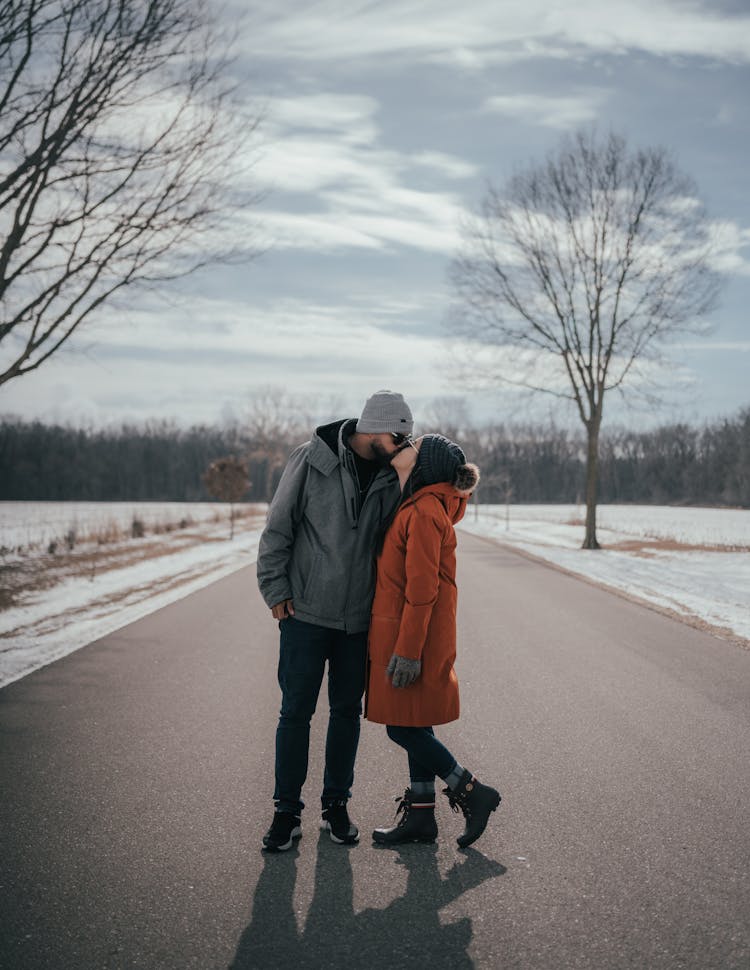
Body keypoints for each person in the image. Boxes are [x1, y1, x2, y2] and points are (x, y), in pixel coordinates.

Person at [256, 389, 414, 852]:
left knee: (346, 713)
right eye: (399, 435)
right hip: (305, 612)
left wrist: (406, 477)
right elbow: (277, 527)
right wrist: (275, 589)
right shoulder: (311, 459)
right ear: (376, 427)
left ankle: (335, 806)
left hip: (358, 620)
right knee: (295, 713)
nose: (405, 444)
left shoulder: (393, 475)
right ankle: (286, 812)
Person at [366, 434, 501, 847]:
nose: (405, 450)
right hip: (416, 631)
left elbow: (422, 589)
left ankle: (472, 791)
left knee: (400, 728)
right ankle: (422, 817)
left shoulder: (424, 511)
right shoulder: (423, 504)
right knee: (414, 721)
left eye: (414, 449)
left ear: (425, 467)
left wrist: (407, 652)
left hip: (414, 637)